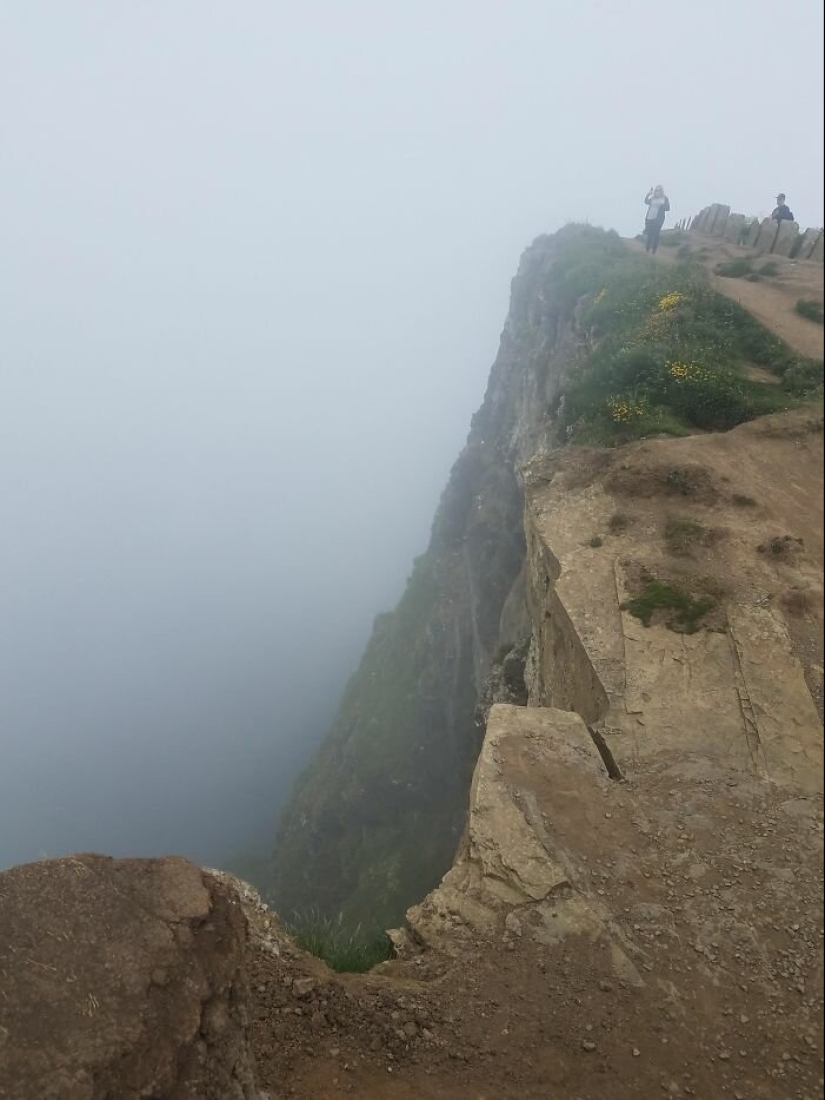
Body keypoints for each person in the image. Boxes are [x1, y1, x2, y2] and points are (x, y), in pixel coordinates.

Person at [644, 185, 671, 254]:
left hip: (658, 219)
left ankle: (653, 251)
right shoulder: (652, 198)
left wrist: (661, 205)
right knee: (649, 234)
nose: (657, 191)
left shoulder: (664, 198)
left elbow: (668, 208)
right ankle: (647, 250)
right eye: (656, 190)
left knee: (656, 234)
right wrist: (648, 194)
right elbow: (646, 201)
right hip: (649, 218)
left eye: (658, 190)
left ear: (661, 191)